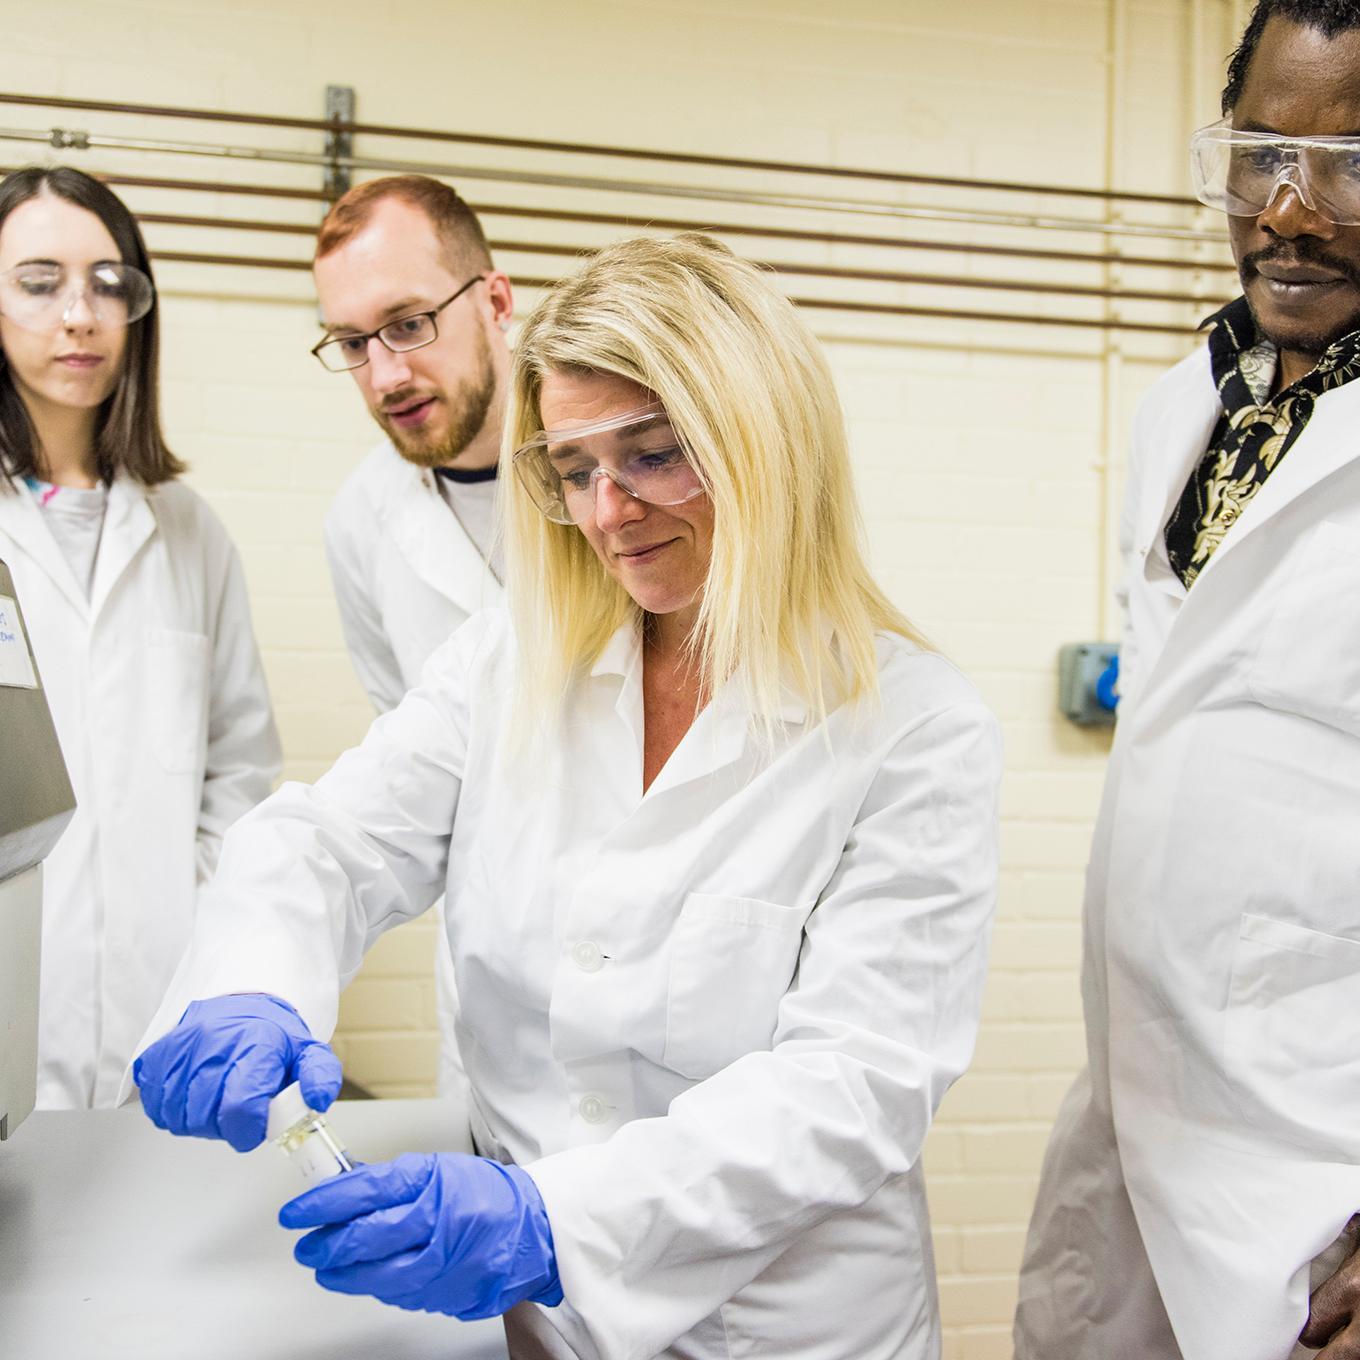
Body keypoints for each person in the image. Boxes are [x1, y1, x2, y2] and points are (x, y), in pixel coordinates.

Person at [132, 233, 1001, 1360]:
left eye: (651, 453)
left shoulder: (916, 730)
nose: (605, 514)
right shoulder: (511, 657)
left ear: (766, 445)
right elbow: (336, 842)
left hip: (772, 1327)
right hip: (530, 1324)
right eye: (574, 468)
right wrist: (246, 985)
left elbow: (850, 1085)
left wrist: (555, 1218)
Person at [1015, 7, 1360, 1359]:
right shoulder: (1187, 411)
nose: (1292, 210)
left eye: (1353, 165)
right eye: (1264, 151)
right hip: (1144, 1123)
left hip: (1322, 1171)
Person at [0, 166, 280, 1109]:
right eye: (38, 282)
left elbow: (239, 770)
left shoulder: (188, 530)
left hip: (156, 1013)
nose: (78, 315)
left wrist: (198, 924)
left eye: (108, 283)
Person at [312, 175, 513, 1095]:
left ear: (496, 301)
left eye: (407, 323)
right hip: (493, 981)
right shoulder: (361, 519)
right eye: (353, 342)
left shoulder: (621, 459)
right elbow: (415, 760)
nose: (385, 373)